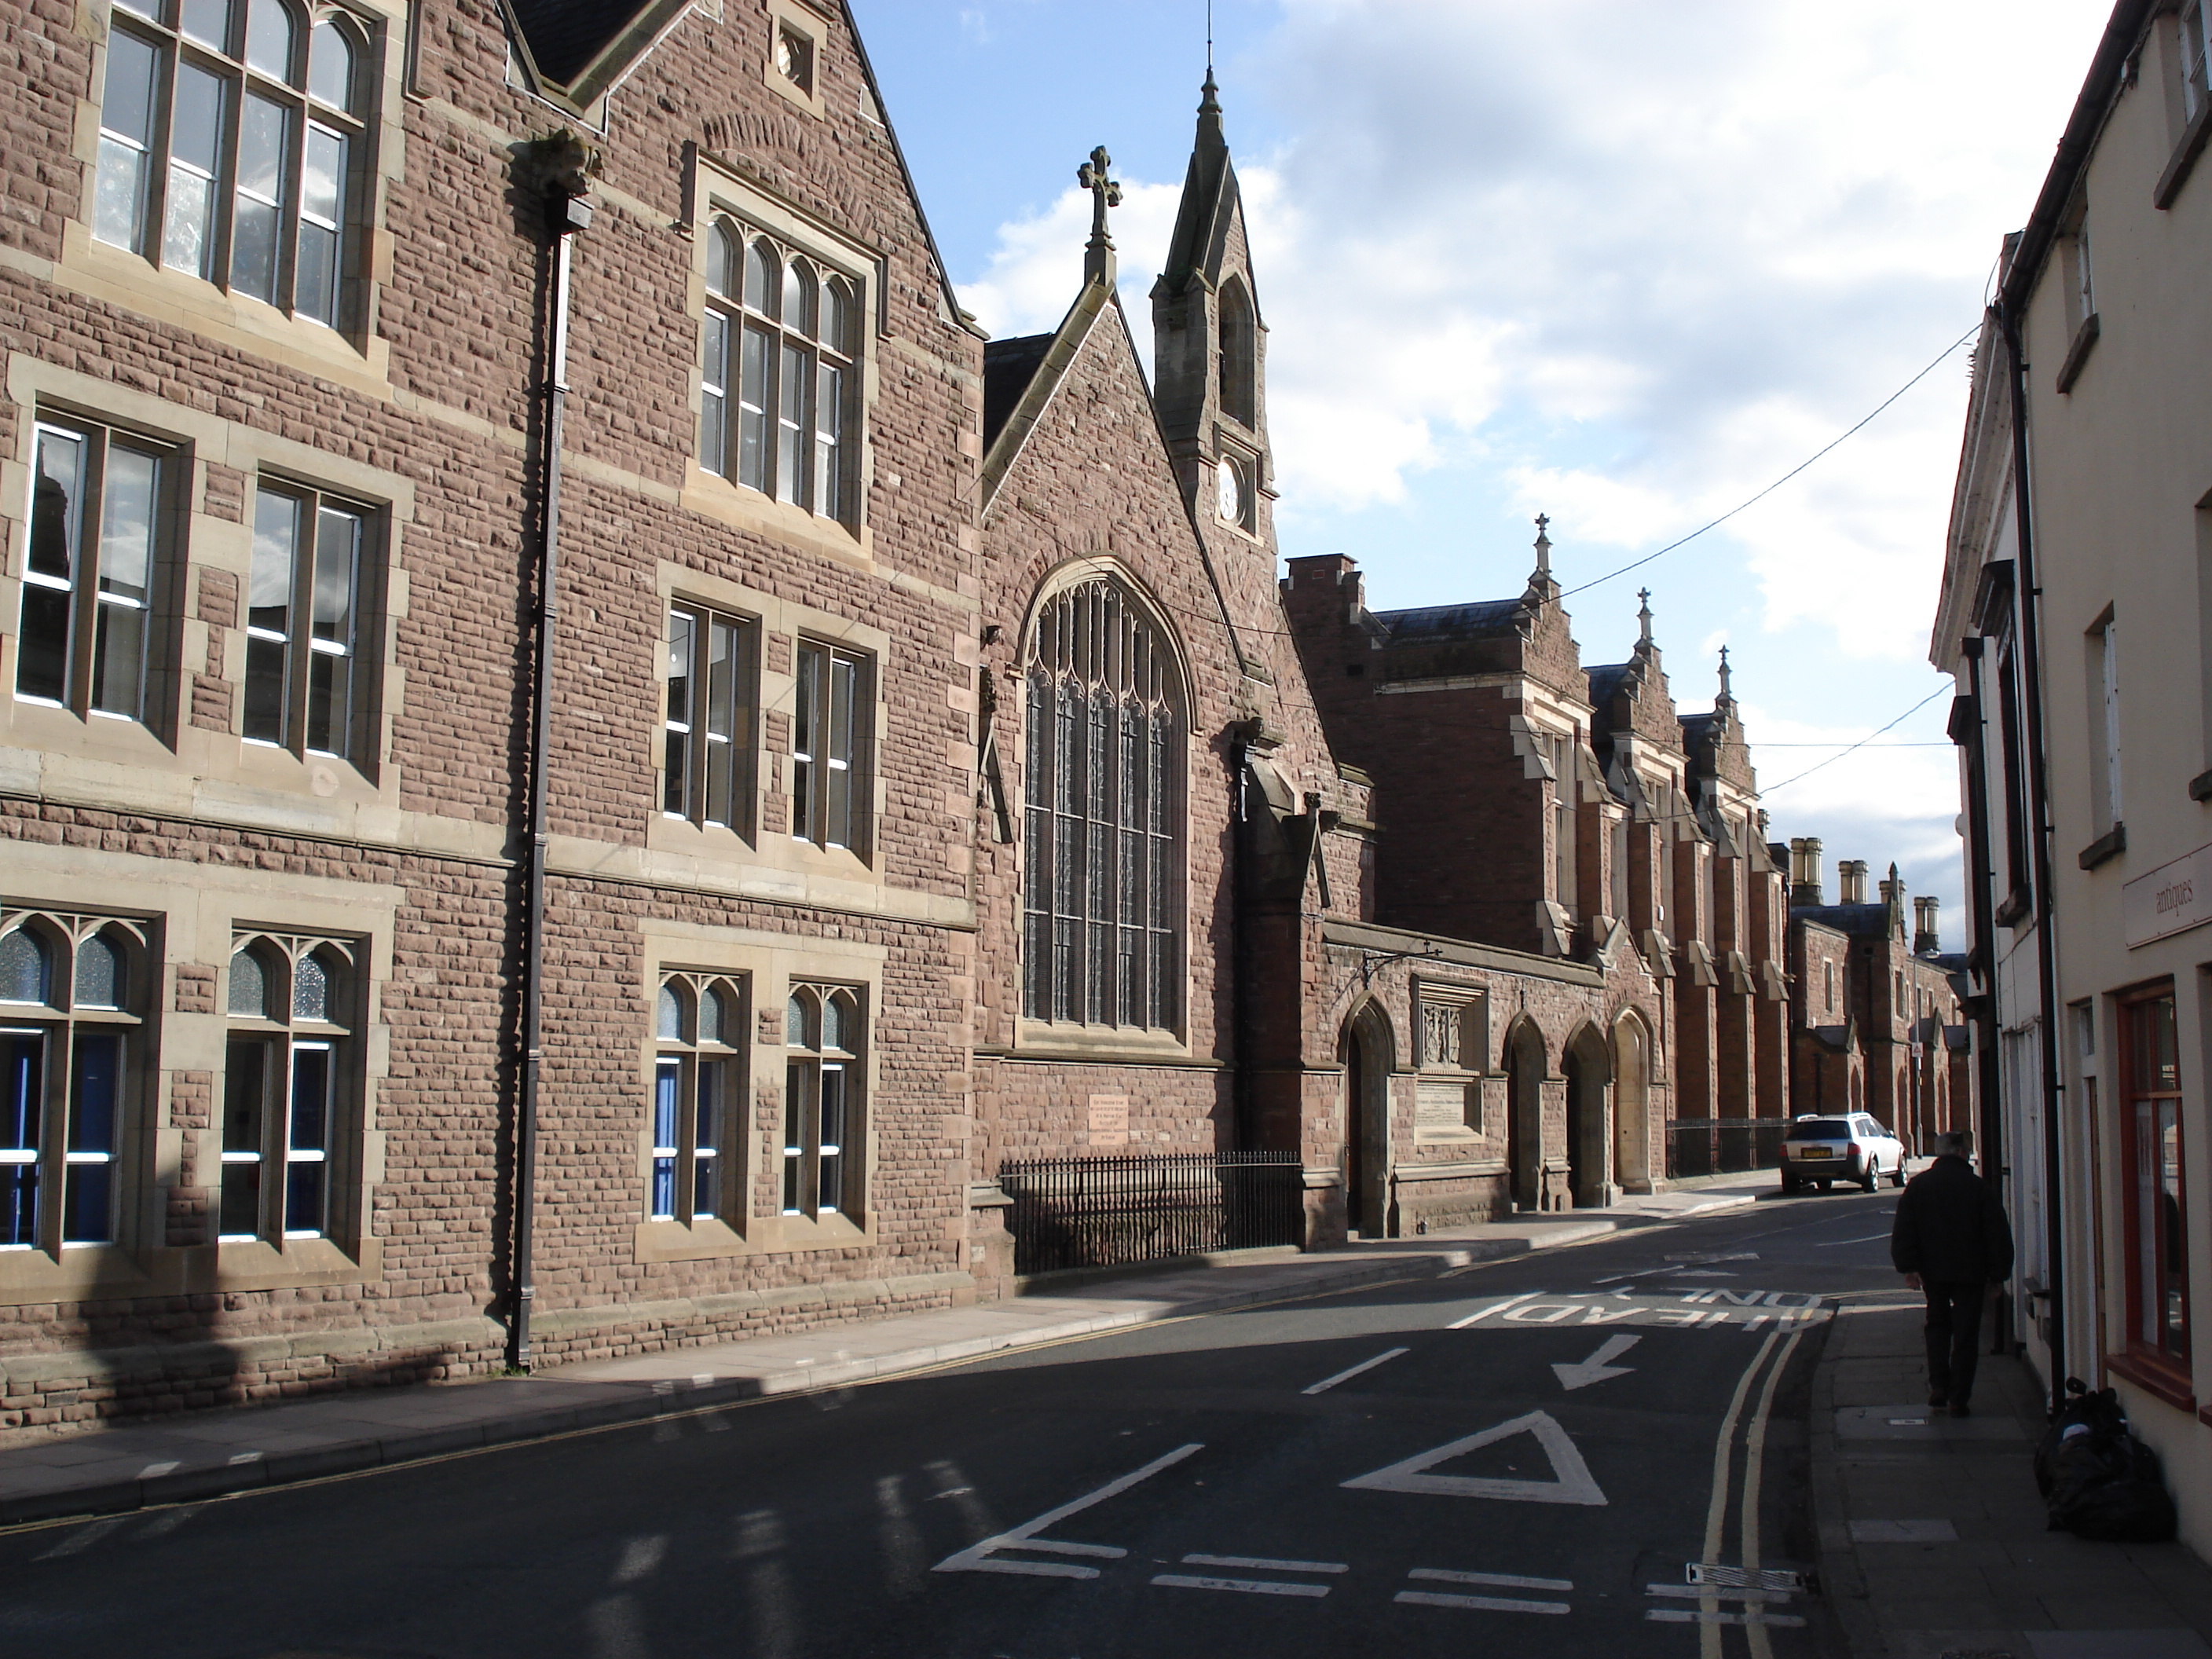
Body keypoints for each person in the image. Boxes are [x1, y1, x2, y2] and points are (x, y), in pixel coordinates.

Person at [1890, 1129, 2013, 1417]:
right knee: (1966, 1334)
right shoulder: (1978, 1188)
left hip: (1933, 1272)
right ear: (1961, 1153)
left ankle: (1938, 1387)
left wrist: (1909, 1268)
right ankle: (1959, 1397)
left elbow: (1905, 1230)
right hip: (1971, 1273)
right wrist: (1998, 1276)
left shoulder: (1919, 1187)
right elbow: (1996, 1234)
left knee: (1937, 1326)